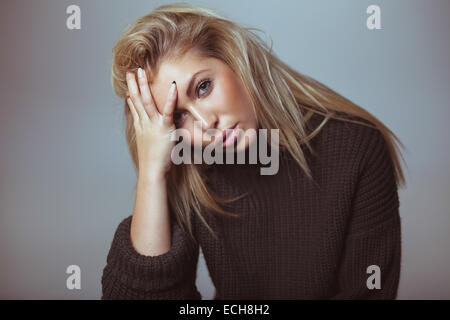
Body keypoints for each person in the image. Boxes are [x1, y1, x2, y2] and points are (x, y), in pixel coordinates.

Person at [101, 3, 407, 299]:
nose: (207, 123)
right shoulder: (189, 165)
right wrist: (152, 174)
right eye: (178, 116)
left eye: (203, 87)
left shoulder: (358, 146)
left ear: (235, 60)